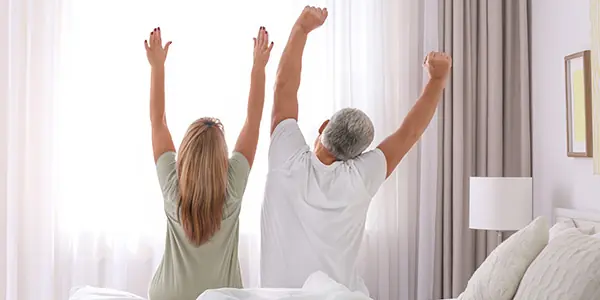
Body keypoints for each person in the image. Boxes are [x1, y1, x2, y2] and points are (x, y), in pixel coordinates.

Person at [260, 6, 452, 295]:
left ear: (323, 126)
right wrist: (437, 80)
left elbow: (283, 87)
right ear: (359, 155)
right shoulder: (362, 176)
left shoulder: (286, 158)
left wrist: (301, 28)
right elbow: (409, 132)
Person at [145, 26, 274, 300]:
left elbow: (158, 121)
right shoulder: (232, 186)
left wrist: (157, 66)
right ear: (222, 158)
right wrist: (259, 67)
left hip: (168, 295)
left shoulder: (172, 187)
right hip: (221, 296)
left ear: (185, 155)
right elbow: (253, 122)